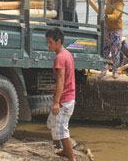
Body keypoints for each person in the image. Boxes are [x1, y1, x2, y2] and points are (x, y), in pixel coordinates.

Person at [45, 27, 76, 161]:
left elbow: (60, 81)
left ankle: (72, 158)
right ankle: (65, 151)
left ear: (58, 41)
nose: (48, 45)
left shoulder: (60, 58)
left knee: (63, 130)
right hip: (69, 98)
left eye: (50, 42)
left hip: (65, 100)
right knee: (54, 125)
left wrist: (57, 102)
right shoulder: (67, 53)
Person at [101, 0, 127, 79]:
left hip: (116, 30)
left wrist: (107, 16)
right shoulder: (108, 1)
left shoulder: (120, 4)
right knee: (105, 50)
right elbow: (105, 11)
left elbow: (116, 16)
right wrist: (104, 14)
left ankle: (115, 71)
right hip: (107, 29)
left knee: (115, 51)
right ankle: (103, 70)